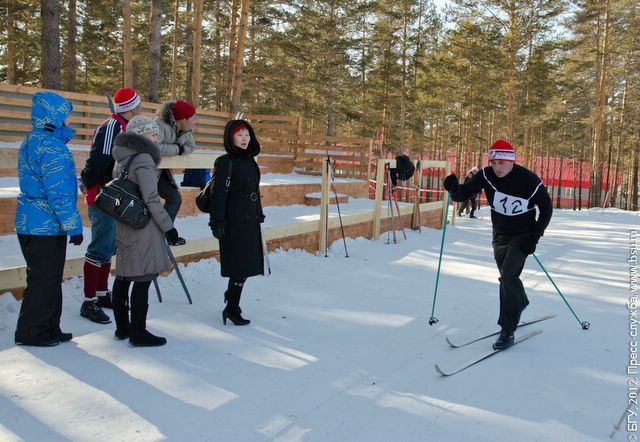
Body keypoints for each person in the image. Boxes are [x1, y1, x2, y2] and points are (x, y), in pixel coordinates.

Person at [443, 139, 552, 349]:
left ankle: (507, 330)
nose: (497, 167)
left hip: (523, 235)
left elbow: (546, 209)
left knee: (508, 277)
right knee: (508, 279)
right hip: (500, 234)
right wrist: (454, 189)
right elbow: (465, 193)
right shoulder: (486, 175)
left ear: (512, 161)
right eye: (493, 162)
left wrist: (534, 237)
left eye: (502, 162)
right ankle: (520, 301)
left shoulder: (529, 180)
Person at [14, 91, 83, 346]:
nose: (68, 120)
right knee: (44, 280)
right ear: (54, 117)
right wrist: (73, 226)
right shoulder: (51, 147)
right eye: (65, 115)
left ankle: (50, 327)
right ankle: (33, 332)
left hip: (33, 222)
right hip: (45, 224)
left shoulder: (33, 140)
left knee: (48, 278)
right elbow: (59, 193)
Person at [110, 115, 181, 347]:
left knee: (124, 276)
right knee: (143, 278)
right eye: (152, 134)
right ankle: (138, 333)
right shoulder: (143, 159)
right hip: (142, 225)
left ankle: (122, 327)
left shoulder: (122, 157)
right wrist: (169, 228)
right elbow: (151, 199)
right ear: (140, 136)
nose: (156, 139)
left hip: (124, 221)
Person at [79, 87, 141, 324]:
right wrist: (87, 182)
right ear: (132, 106)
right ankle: (89, 301)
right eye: (137, 103)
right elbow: (99, 160)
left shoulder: (125, 127)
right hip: (103, 196)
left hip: (116, 198)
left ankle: (102, 293)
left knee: (108, 247)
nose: (140, 106)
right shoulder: (112, 126)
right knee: (100, 247)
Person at [207, 119, 265, 326]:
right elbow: (218, 194)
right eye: (239, 135)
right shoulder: (225, 162)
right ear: (230, 137)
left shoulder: (250, 161)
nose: (244, 139)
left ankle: (232, 299)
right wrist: (217, 221)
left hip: (250, 219)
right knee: (240, 266)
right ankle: (231, 308)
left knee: (247, 265)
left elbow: (254, 190)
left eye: (247, 134)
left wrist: (259, 212)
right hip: (233, 220)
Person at [153, 99, 198, 245]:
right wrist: (178, 149)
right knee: (145, 204)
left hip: (162, 172)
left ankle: (165, 234)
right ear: (183, 119)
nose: (194, 122)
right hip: (147, 172)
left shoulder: (186, 130)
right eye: (192, 118)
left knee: (174, 198)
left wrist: (179, 150)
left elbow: (191, 147)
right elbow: (155, 147)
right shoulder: (159, 125)